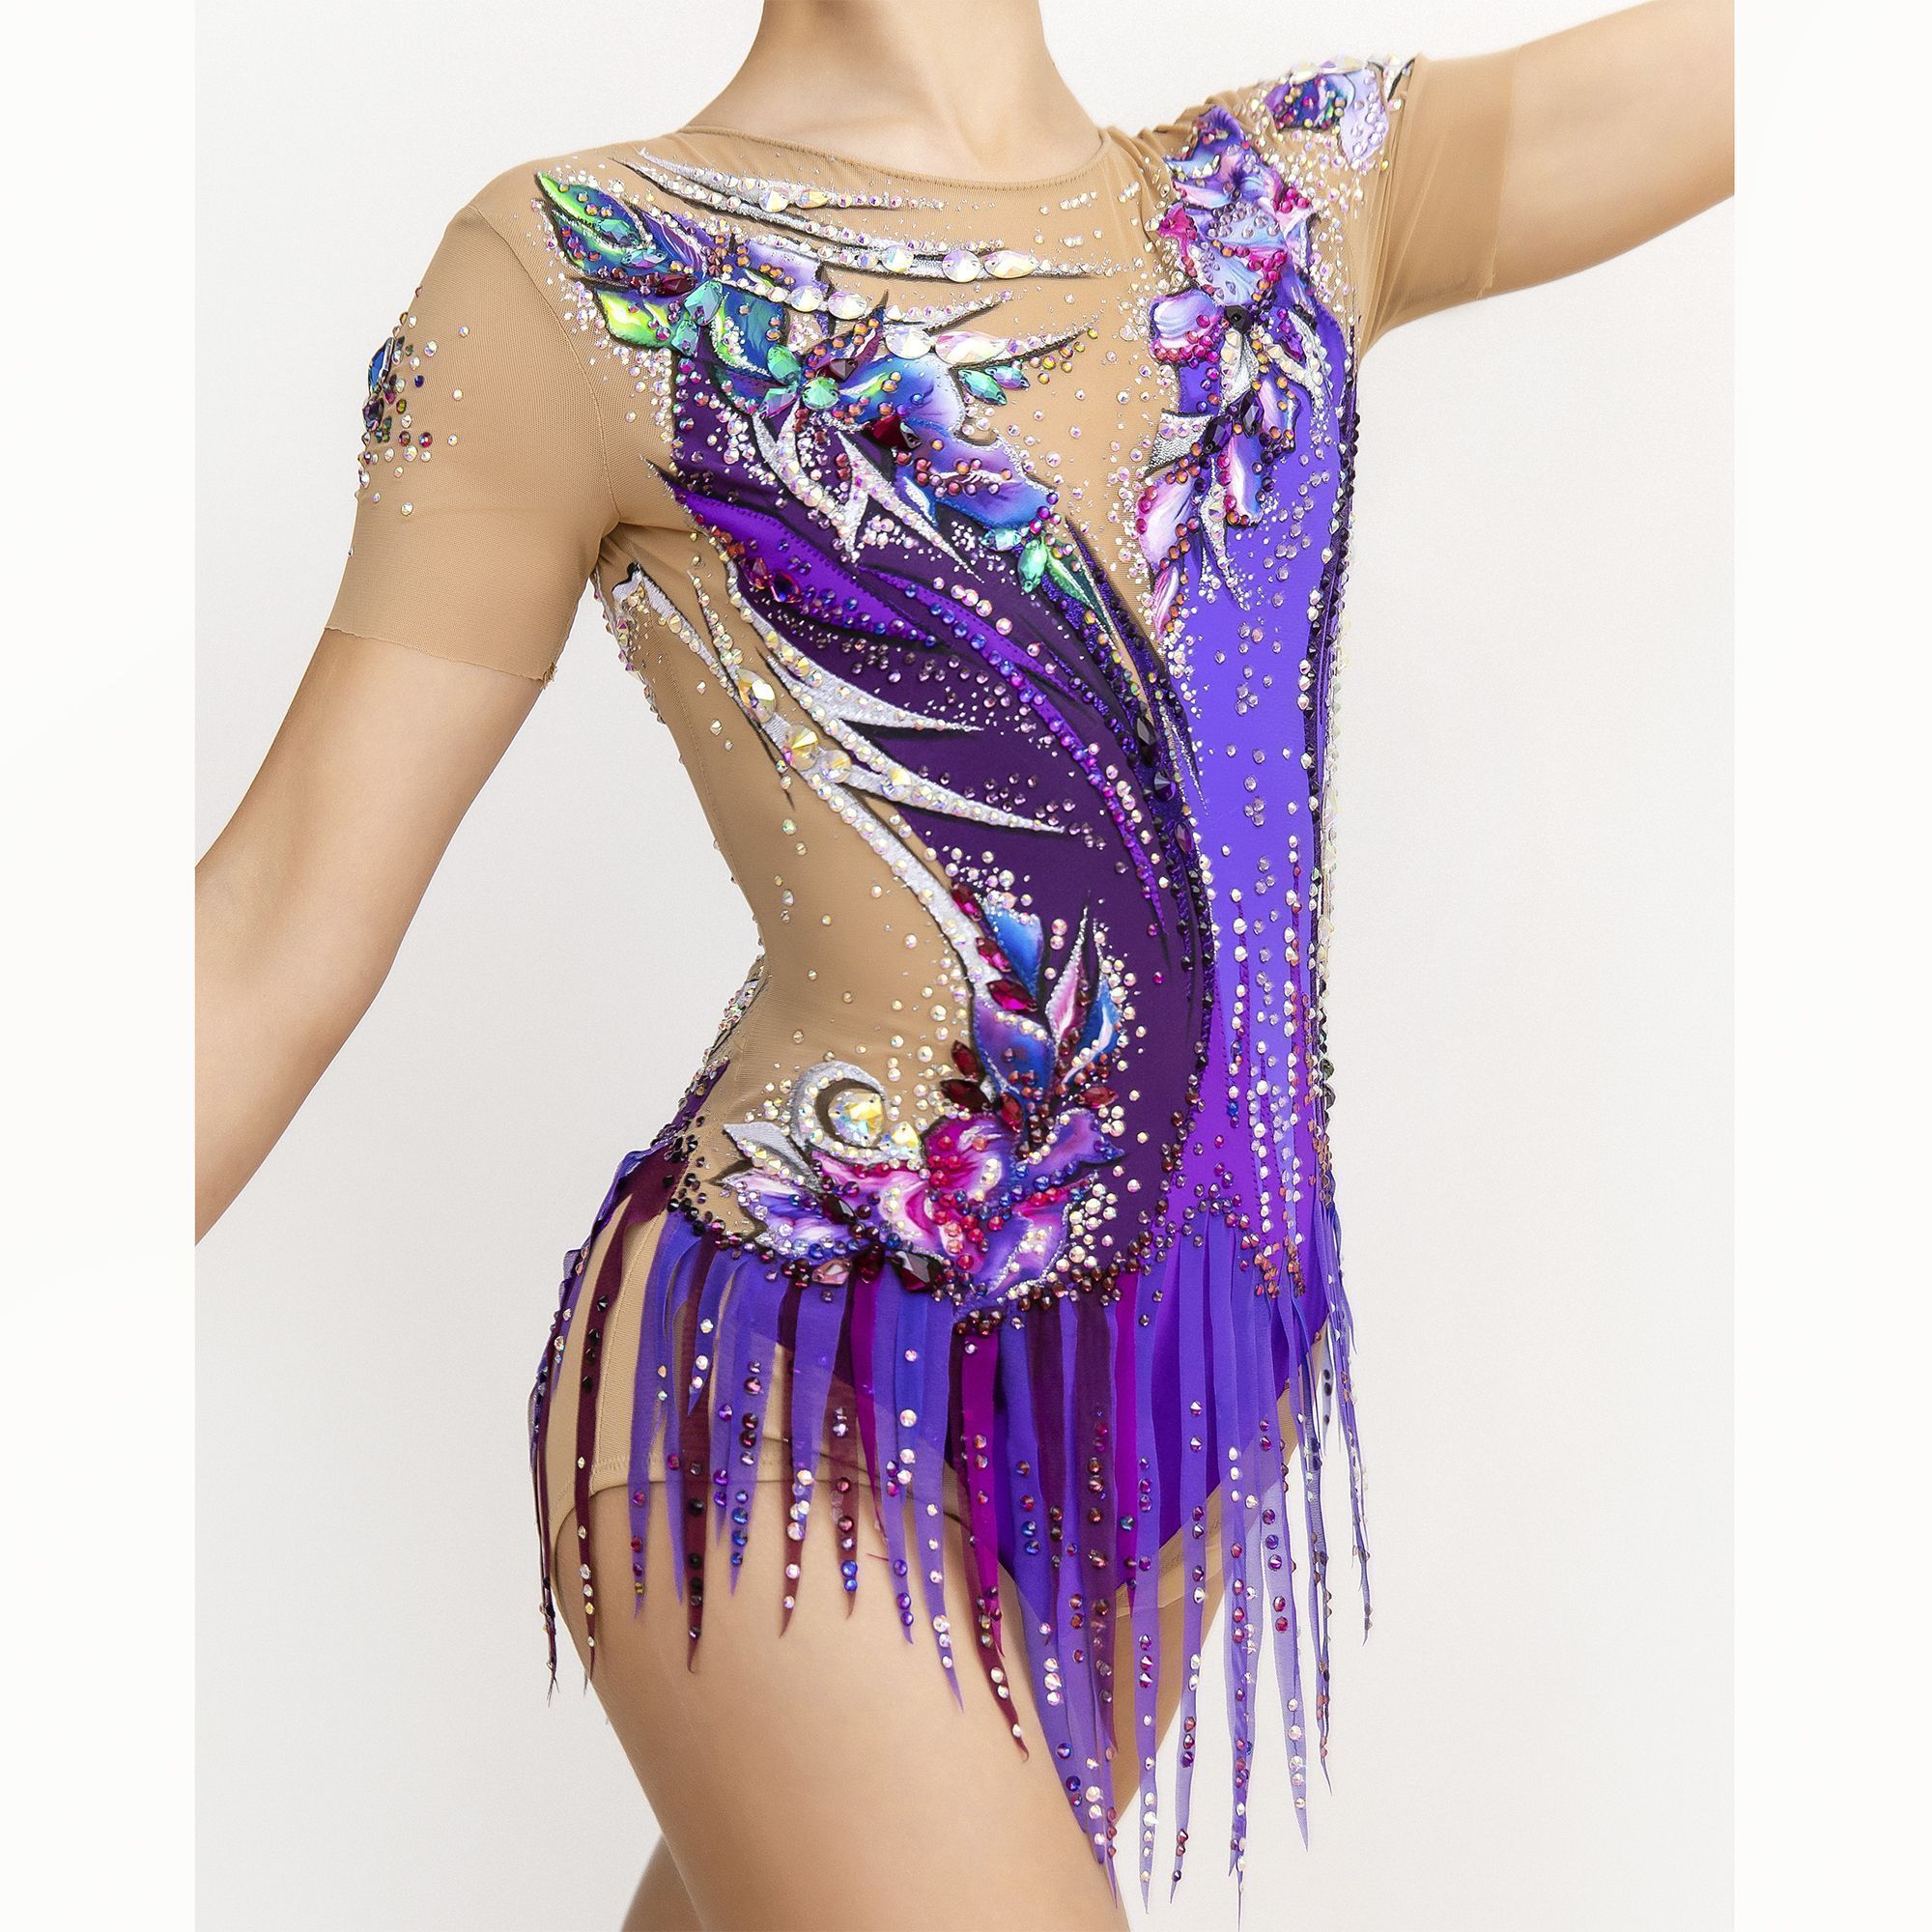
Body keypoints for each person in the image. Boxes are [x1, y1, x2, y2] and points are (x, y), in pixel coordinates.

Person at [196, 3, 1733, 1925]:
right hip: (800, 1376)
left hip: (1180, 1402)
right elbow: (264, 933)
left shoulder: (1296, 198)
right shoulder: (578, 270)